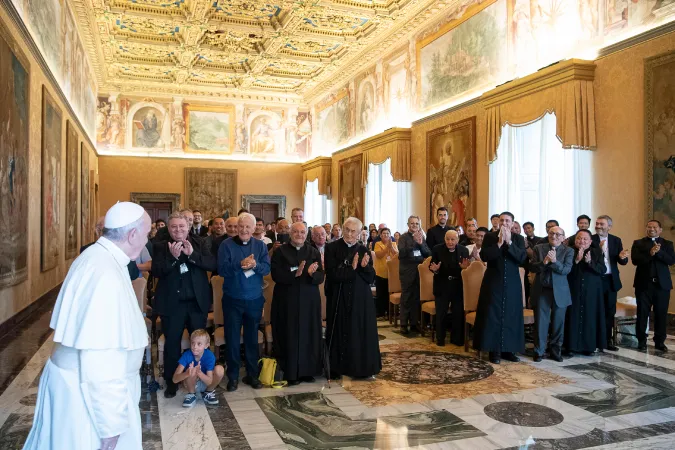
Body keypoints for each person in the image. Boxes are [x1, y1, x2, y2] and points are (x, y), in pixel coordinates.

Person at [25, 202, 151, 450]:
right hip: (88, 402)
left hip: (81, 389)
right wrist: (111, 426)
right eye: (146, 234)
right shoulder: (104, 274)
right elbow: (101, 358)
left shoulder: (97, 257)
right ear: (132, 234)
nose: (147, 241)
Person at [153, 212, 216, 398]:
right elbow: (156, 271)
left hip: (196, 303)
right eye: (174, 227)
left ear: (188, 227)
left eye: (182, 226)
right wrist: (173, 258)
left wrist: (192, 255)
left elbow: (212, 264)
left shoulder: (200, 242)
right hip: (172, 305)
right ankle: (173, 383)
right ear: (168, 228)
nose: (178, 230)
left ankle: (202, 381)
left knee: (199, 345)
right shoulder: (160, 246)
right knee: (172, 345)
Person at [218, 213, 271, 391]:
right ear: (236, 227)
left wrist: (255, 266)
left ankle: (252, 375)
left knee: (251, 338)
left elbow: (266, 268)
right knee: (232, 338)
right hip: (233, 299)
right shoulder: (226, 245)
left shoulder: (260, 246)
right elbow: (222, 270)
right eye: (241, 226)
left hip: (254, 299)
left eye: (248, 226)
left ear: (254, 228)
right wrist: (239, 264)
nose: (244, 229)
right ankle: (232, 377)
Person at [324, 217, 381, 379]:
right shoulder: (332, 248)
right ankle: (336, 367)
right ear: (342, 229)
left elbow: (371, 278)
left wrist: (363, 268)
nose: (349, 233)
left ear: (359, 233)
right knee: (340, 330)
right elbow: (333, 274)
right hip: (339, 296)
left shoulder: (363, 249)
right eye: (347, 229)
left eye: (353, 231)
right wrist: (353, 268)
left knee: (358, 332)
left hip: (360, 298)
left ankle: (360, 368)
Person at [271, 222, 324, 385]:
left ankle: (308, 371)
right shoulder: (280, 252)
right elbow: (276, 275)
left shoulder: (313, 252)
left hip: (309, 300)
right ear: (290, 233)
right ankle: (291, 372)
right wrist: (295, 273)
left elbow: (320, 276)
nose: (299, 235)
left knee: (309, 333)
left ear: (306, 234)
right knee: (289, 333)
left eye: (302, 232)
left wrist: (310, 274)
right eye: (296, 232)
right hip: (287, 300)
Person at [473, 212, 527, 364]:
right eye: (502, 220)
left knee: (511, 315)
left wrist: (509, 243)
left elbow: (521, 258)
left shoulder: (518, 239)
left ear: (512, 223)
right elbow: (485, 256)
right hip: (493, 281)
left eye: (507, 221)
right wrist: (499, 243)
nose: (504, 223)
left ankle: (509, 350)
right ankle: (494, 351)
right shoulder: (490, 237)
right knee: (492, 315)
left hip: (512, 282)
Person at [529, 226, 574, 362]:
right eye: (551, 233)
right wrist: (544, 263)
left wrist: (554, 262)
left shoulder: (568, 251)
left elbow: (566, 270)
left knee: (558, 323)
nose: (554, 236)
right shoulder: (539, 248)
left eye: (557, 234)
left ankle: (555, 351)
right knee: (541, 323)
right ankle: (539, 351)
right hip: (543, 289)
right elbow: (532, 267)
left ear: (563, 237)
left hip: (560, 291)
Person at [631, 220, 675, 352]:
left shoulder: (667, 244)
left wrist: (659, 252)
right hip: (644, 285)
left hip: (662, 285)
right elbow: (635, 260)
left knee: (661, 314)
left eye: (655, 227)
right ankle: (641, 341)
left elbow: (671, 260)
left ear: (660, 229)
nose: (652, 229)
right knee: (642, 313)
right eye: (649, 227)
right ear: (646, 228)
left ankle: (659, 341)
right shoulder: (638, 243)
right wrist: (650, 253)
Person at [564, 229, 607, 355]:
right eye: (579, 238)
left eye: (584, 239)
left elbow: (602, 269)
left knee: (590, 317)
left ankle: (588, 347)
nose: (581, 241)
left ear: (590, 241)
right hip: (573, 289)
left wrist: (589, 262)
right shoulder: (569, 250)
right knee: (573, 316)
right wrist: (577, 261)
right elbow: (566, 271)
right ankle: (571, 346)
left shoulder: (596, 251)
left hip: (591, 290)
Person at [592, 215, 629, 351]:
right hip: (595, 280)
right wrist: (599, 251)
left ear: (609, 226)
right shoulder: (590, 239)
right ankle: (595, 340)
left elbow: (622, 261)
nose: (598, 226)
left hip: (610, 280)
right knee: (596, 310)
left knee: (609, 311)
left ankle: (607, 341)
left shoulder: (615, 240)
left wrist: (622, 257)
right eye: (597, 224)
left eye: (602, 224)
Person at [429, 230, 470, 346]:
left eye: (453, 239)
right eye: (448, 239)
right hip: (442, 284)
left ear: (457, 240)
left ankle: (456, 339)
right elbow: (431, 266)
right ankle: (440, 338)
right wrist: (435, 269)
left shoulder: (464, 250)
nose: (450, 242)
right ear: (444, 239)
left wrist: (464, 269)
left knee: (458, 313)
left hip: (458, 286)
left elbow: (466, 271)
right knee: (441, 313)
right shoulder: (437, 249)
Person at [172, 329, 224, 407]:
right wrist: (187, 373)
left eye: (199, 344)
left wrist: (199, 373)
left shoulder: (210, 356)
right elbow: (175, 379)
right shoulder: (187, 355)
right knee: (192, 371)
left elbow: (209, 381)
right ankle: (191, 394)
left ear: (206, 345)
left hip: (205, 382)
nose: (195, 347)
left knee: (220, 369)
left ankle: (208, 392)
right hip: (191, 383)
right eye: (193, 343)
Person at [398, 215, 432, 334]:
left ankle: (414, 323)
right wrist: (414, 243)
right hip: (407, 271)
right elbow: (401, 254)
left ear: (419, 225)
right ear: (408, 225)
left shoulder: (421, 237)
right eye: (412, 223)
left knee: (416, 298)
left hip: (420, 271)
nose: (414, 225)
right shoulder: (403, 238)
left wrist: (420, 243)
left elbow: (428, 253)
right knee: (406, 297)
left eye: (416, 224)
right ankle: (403, 324)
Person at [82, 216, 141, 280]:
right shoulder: (86, 249)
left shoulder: (125, 250)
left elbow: (134, 274)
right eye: (106, 231)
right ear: (97, 231)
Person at [373, 228, 398, 319]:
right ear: (380, 235)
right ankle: (380, 313)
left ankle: (390, 312)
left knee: (389, 294)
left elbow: (396, 256)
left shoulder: (394, 244)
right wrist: (387, 247)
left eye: (388, 233)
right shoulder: (377, 244)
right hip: (380, 272)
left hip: (391, 273)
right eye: (384, 233)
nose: (386, 235)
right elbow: (379, 255)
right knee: (381, 294)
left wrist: (391, 247)